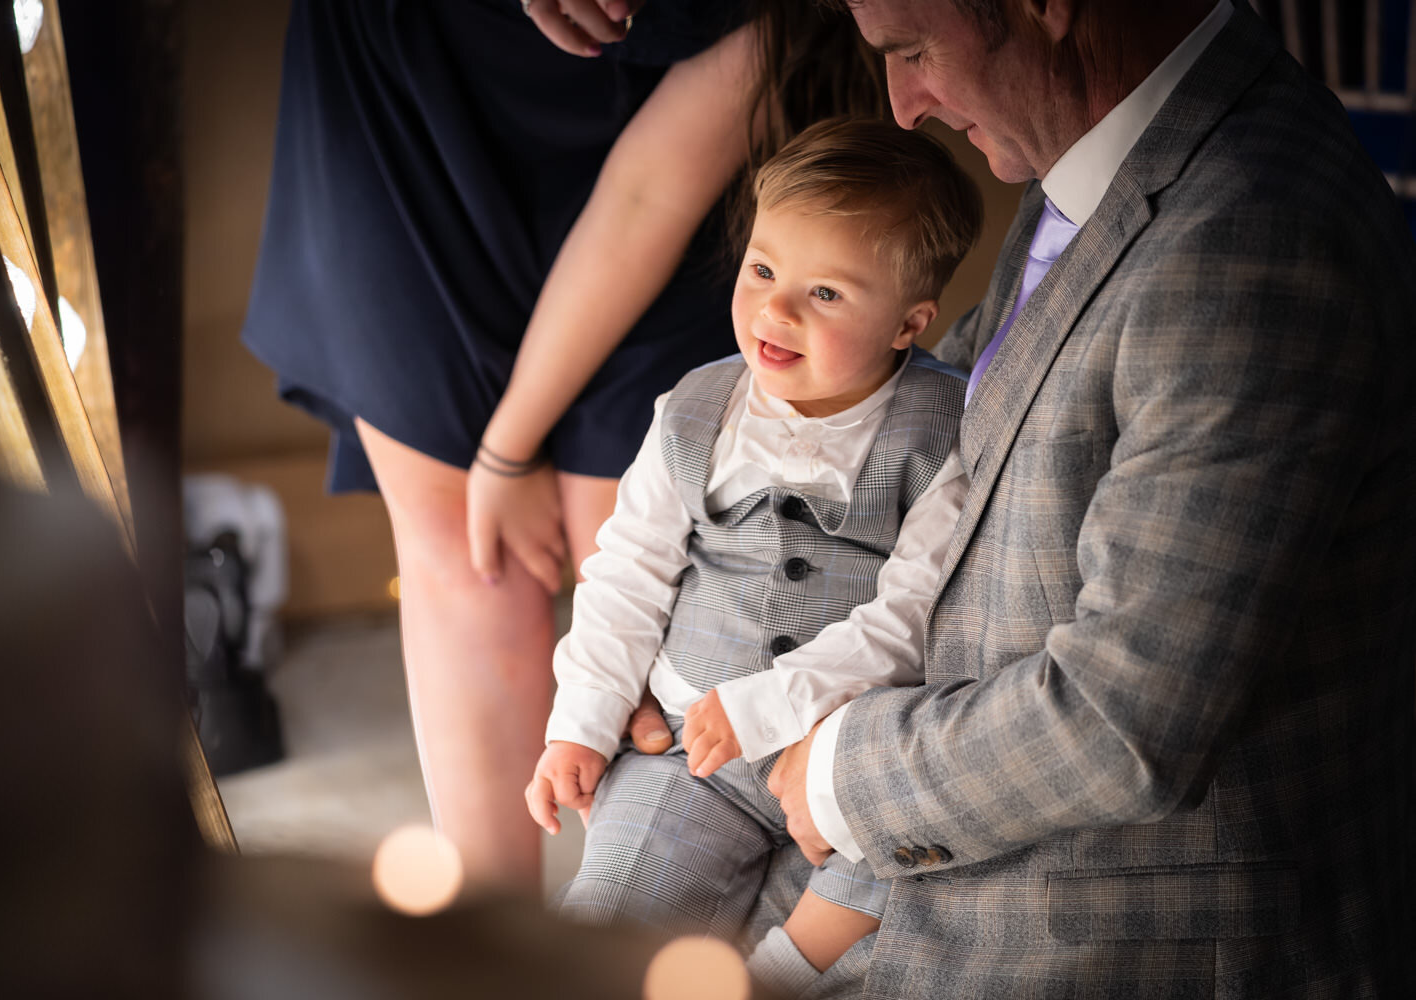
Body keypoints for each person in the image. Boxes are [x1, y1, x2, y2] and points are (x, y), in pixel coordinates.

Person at [735, 1, 1416, 995]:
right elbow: (970, 420)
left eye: (916, 50)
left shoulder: (1250, 237)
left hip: (1124, 947)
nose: (903, 106)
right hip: (954, 861)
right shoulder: (1115, 153)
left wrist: (844, 777)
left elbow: (1122, 716)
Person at [239, 0, 886, 891]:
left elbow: (644, 195)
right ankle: (492, 940)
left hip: (664, 168)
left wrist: (510, 449)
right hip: (405, 94)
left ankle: (631, 915)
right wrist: (492, 467)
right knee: (465, 549)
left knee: (637, 554)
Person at [526, 117, 982, 996]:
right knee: (610, 918)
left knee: (901, 893)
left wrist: (780, 706)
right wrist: (581, 719)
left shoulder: (943, 433)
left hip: (850, 754)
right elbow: (626, 573)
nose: (776, 309)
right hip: (690, 755)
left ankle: (776, 977)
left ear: (908, 324)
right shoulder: (695, 410)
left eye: (828, 294)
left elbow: (914, 615)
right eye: (764, 270)